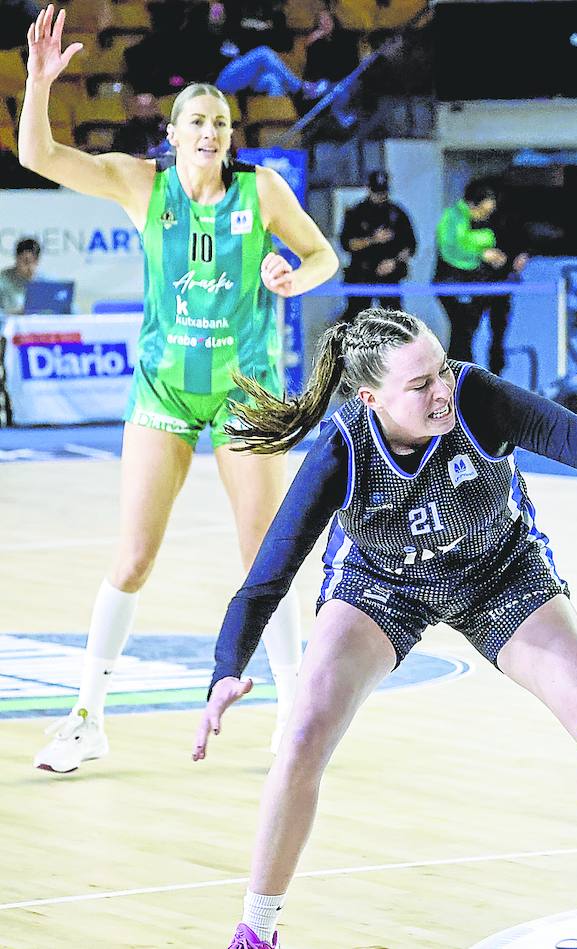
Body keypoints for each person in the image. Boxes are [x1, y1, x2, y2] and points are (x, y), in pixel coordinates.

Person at [193, 307, 577, 949]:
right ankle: (256, 930)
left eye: (440, 369)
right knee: (303, 734)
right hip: (383, 586)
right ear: (370, 399)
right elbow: (267, 578)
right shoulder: (344, 449)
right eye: (419, 386)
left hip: (503, 574)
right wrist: (228, 670)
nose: (440, 389)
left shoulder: (479, 400)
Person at [18, 6, 339, 773]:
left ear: (231, 137)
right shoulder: (141, 187)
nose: (210, 133)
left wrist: (296, 278)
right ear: (172, 132)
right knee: (132, 555)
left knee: (266, 553)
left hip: (243, 395)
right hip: (162, 391)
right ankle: (87, 716)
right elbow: (37, 155)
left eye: (221, 123)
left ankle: (293, 709)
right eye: (196, 121)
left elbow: (323, 254)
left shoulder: (260, 193)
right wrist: (38, 85)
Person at [434, 179, 528, 376]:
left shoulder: (489, 221)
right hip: (455, 284)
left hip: (481, 284)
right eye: (483, 211)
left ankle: (490, 371)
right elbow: (450, 248)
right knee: (462, 331)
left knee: (490, 326)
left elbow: (505, 240)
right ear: (473, 204)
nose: (485, 216)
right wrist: (481, 254)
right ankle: (462, 375)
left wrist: (511, 258)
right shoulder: (454, 217)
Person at [338, 169, 416, 324]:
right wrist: (373, 239)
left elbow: (410, 246)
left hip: (389, 276)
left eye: (383, 192)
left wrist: (394, 262)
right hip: (361, 275)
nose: (380, 197)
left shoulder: (397, 213)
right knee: (356, 320)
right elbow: (347, 244)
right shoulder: (356, 212)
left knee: (394, 322)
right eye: (376, 192)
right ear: (368, 189)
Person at [0, 235, 39, 315]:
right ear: (17, 259)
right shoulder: (2, 280)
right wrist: (11, 313)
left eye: (34, 262)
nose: (30, 267)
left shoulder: (44, 281)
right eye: (26, 261)